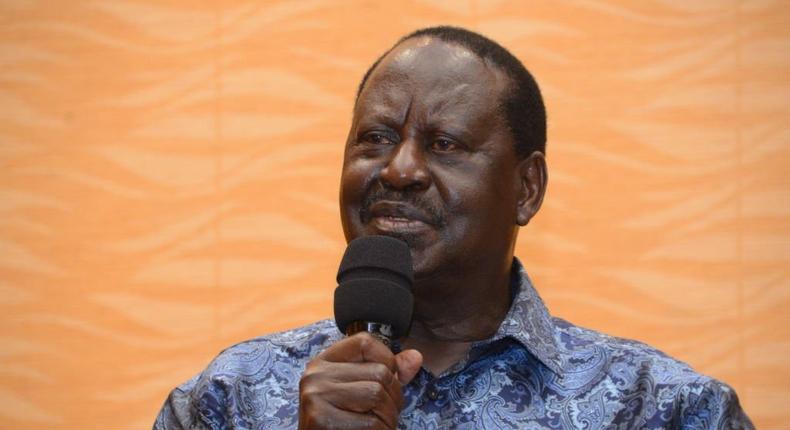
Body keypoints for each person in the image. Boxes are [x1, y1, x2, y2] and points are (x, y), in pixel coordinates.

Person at [154, 26, 753, 429]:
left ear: (526, 189)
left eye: (444, 144)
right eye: (376, 139)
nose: (399, 169)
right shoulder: (229, 399)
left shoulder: (663, 408)